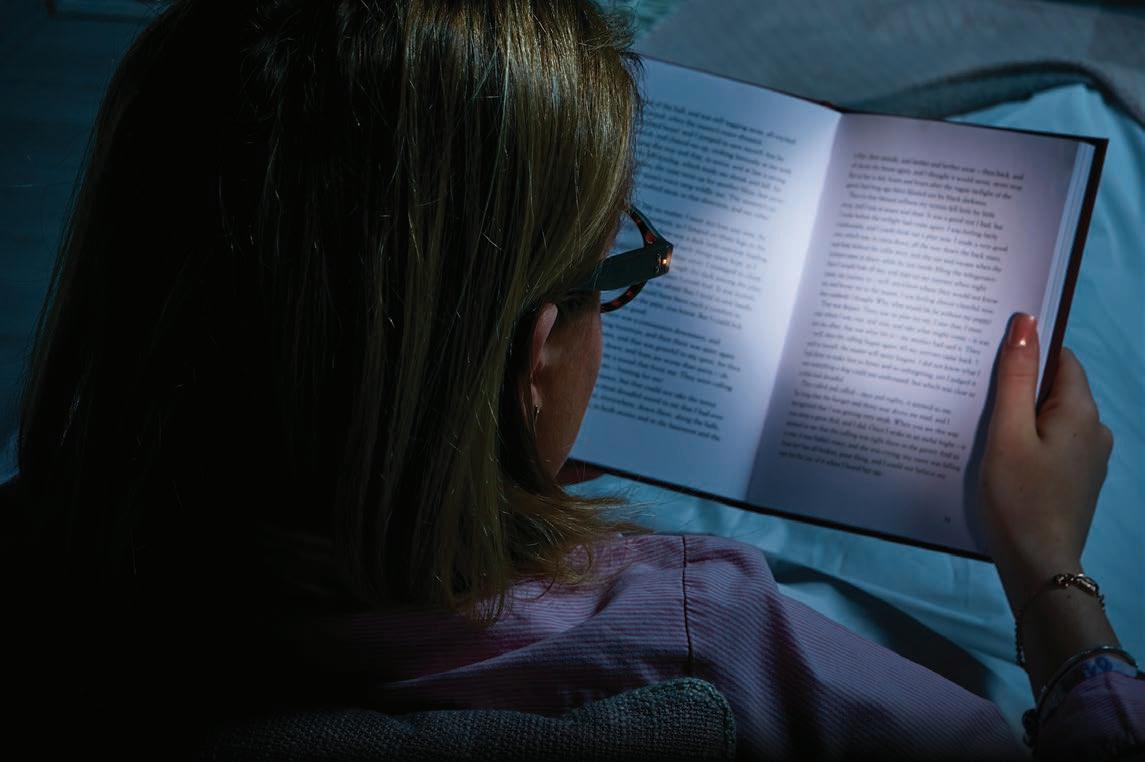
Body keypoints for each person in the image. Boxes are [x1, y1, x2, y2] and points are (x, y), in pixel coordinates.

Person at [7, 0, 1142, 757]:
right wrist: (1051, 579)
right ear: (532, 359)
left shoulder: (47, 560)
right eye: (618, 269)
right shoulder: (713, 651)